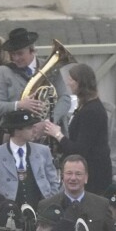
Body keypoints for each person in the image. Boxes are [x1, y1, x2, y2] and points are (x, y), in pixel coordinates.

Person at [42, 65, 111, 193]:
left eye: (71, 80)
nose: (68, 83)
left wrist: (58, 134)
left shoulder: (91, 112)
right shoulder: (85, 106)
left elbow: (79, 149)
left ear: (81, 83)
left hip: (94, 176)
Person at [0, 110, 60, 204]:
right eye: (29, 128)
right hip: (10, 209)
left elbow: (53, 181)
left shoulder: (43, 151)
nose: (34, 130)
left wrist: (49, 203)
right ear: (17, 132)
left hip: (40, 208)